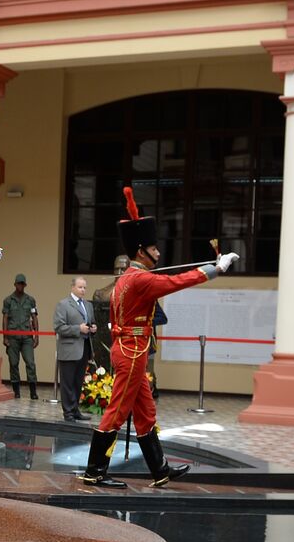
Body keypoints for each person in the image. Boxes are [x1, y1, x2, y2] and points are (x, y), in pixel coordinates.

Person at [81, 187, 237, 488]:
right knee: (116, 412)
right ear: (142, 251)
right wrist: (214, 269)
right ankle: (95, 471)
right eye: (154, 248)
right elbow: (176, 281)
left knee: (145, 412)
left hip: (131, 350)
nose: (159, 253)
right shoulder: (140, 279)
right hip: (132, 352)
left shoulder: (128, 276)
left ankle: (160, 469)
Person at [53, 276, 97, 422]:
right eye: (80, 287)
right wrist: (78, 329)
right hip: (69, 349)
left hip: (84, 348)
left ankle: (75, 409)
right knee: (68, 382)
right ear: (73, 287)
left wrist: (93, 328)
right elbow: (59, 327)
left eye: (85, 287)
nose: (83, 290)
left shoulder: (88, 305)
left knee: (78, 381)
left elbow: (90, 322)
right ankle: (68, 412)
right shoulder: (63, 304)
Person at [1, 273, 39, 399]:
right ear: (15, 284)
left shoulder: (30, 300)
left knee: (30, 363)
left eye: (22, 284)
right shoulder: (8, 300)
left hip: (27, 337)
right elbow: (5, 318)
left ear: (25, 285)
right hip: (13, 337)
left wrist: (36, 336)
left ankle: (33, 391)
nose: (20, 286)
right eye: (18, 283)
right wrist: (5, 337)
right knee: (13, 363)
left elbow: (34, 318)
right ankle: (16, 391)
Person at [90, 254, 129, 367]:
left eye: (123, 269)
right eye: (117, 269)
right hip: (104, 340)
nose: (119, 272)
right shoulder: (100, 294)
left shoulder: (135, 294)